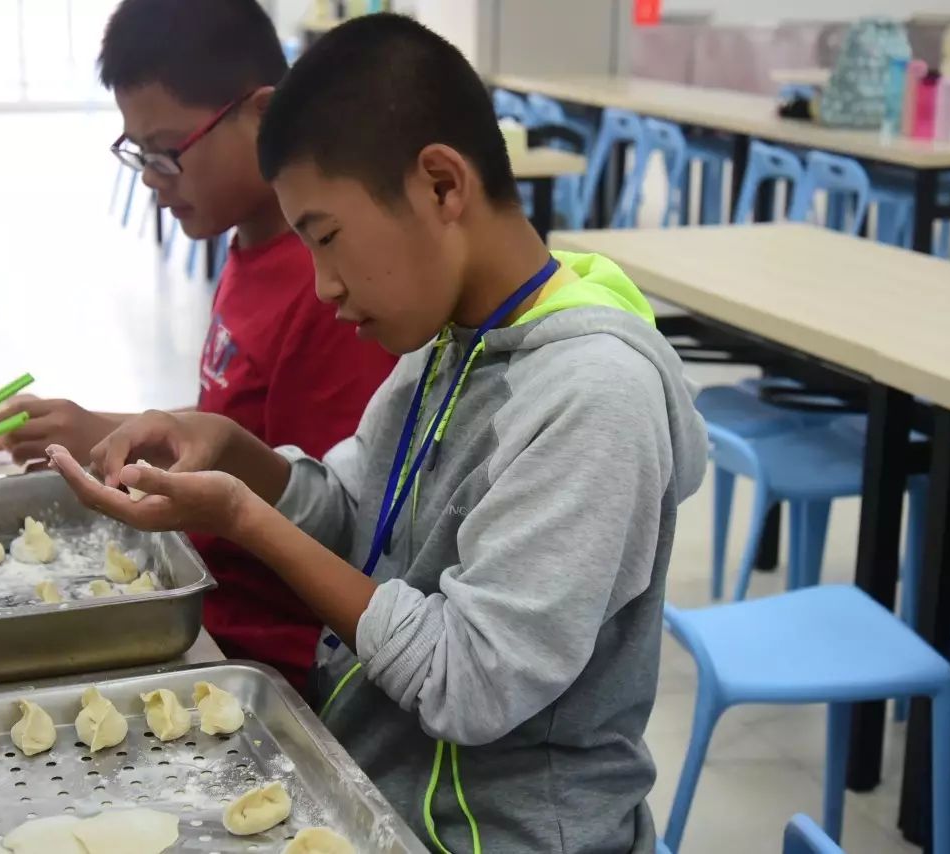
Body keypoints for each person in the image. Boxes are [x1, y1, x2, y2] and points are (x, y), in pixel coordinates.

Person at [48, 14, 707, 852]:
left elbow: (468, 681)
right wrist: (236, 452)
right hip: (377, 788)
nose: (321, 285)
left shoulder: (592, 396)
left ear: (440, 185)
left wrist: (244, 519)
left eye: (327, 237)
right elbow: (360, 512)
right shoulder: (447, 339)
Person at [0, 0, 396, 689]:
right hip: (208, 600)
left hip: (261, 650)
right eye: (138, 152)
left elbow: (331, 518)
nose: (148, 177)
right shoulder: (249, 244)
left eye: (167, 151)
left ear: (261, 113)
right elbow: (236, 428)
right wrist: (102, 430)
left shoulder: (326, 292)